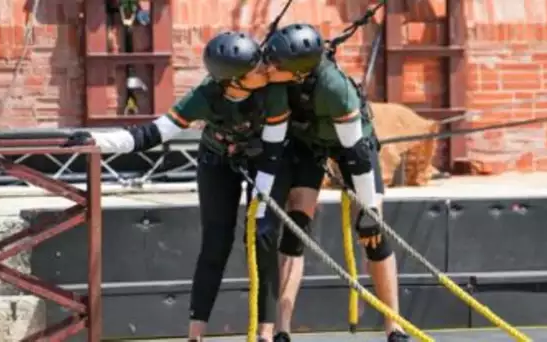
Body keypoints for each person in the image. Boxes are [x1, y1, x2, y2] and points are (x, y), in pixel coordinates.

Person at [64, 31, 291, 342]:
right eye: (255, 68)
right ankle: (195, 334)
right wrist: (99, 140)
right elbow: (151, 134)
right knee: (215, 242)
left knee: (263, 236)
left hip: (263, 158)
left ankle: (266, 333)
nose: (265, 68)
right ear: (234, 81)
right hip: (217, 160)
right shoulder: (205, 96)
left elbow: (275, 150)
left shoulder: (273, 90)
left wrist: (262, 201)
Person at [262, 23, 410, 342]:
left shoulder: (334, 89)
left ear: (299, 71)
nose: (268, 66)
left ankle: (394, 326)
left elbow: (356, 157)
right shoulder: (277, 79)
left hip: (351, 143)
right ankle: (282, 329)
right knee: (295, 229)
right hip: (305, 142)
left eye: (276, 63)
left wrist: (369, 210)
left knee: (373, 233)